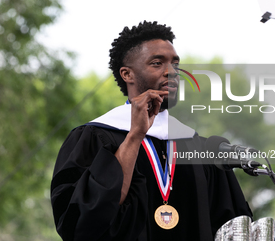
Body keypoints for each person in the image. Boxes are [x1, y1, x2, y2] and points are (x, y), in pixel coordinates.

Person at [51, 21, 252, 241]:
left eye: (175, 63)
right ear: (127, 74)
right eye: (157, 63)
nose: (171, 72)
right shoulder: (95, 137)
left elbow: (232, 225)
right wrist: (135, 136)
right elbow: (81, 222)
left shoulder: (200, 147)